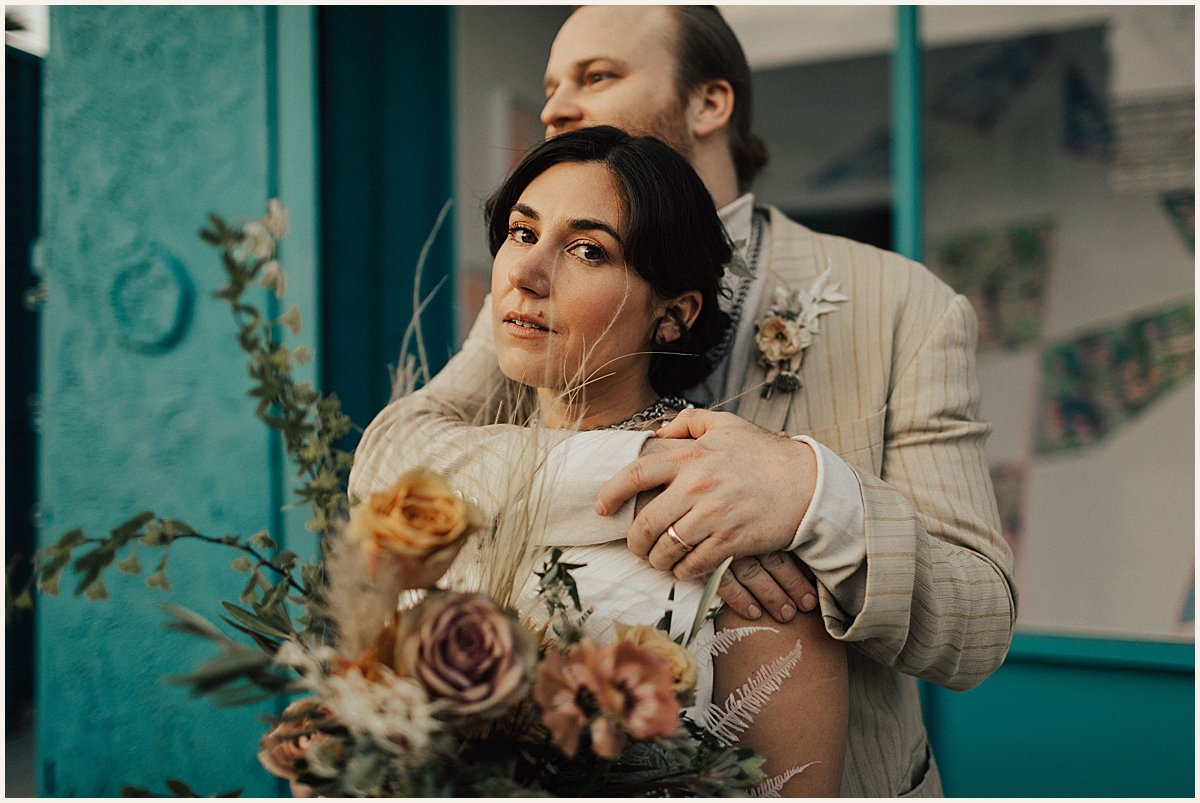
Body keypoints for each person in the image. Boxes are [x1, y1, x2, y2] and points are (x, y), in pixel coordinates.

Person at [350, 6, 1016, 796]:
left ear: (710, 104)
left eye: (596, 76)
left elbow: (978, 624)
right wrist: (649, 467)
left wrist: (810, 495)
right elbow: (394, 461)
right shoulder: (531, 298)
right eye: (551, 85)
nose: (557, 107)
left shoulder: (903, 304)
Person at [474, 124, 847, 795]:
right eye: (523, 232)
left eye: (588, 250)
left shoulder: (738, 530)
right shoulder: (440, 486)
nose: (526, 275)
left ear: (673, 314)